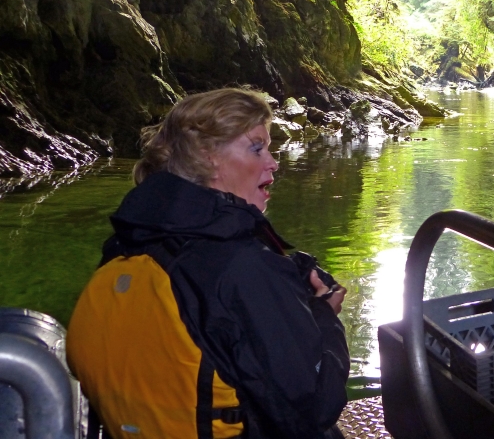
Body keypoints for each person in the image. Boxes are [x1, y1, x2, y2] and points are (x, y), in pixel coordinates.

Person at [67, 88, 349, 439]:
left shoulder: (124, 248)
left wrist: (289, 288)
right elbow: (314, 407)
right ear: (207, 157)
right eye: (257, 148)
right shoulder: (243, 267)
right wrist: (323, 316)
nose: (273, 162)